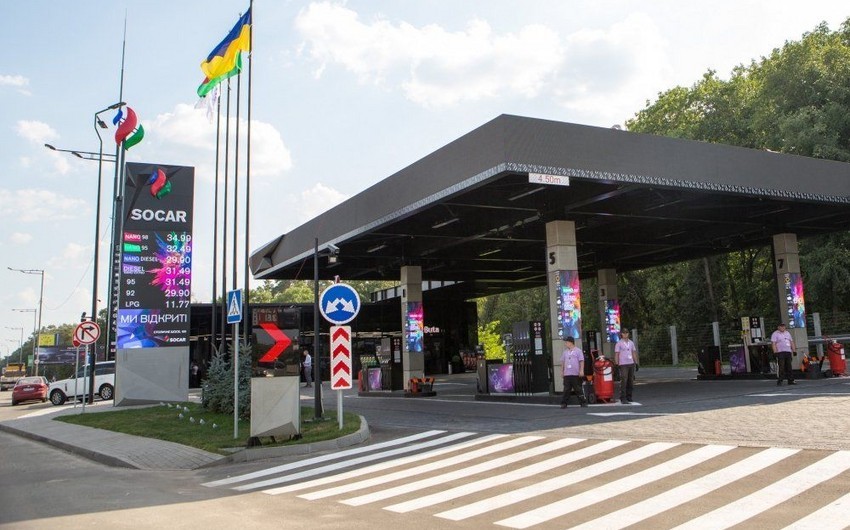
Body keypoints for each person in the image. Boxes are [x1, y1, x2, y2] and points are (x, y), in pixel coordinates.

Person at [559, 336, 587, 408]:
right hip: (567, 374)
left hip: (575, 374)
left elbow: (581, 361)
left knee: (578, 389)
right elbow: (562, 362)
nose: (566, 344)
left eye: (566, 342)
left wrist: (581, 370)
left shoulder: (578, 351)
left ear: (570, 342)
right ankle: (564, 403)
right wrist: (562, 371)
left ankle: (583, 402)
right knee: (566, 389)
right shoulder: (565, 352)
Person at [614, 329, 639, 404]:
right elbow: (617, 354)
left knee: (630, 380)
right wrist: (616, 364)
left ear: (628, 334)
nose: (625, 334)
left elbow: (633, 352)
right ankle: (623, 397)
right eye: (623, 333)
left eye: (626, 333)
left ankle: (629, 396)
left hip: (630, 363)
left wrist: (636, 362)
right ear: (621, 334)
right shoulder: (619, 343)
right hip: (623, 364)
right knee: (624, 380)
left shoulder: (631, 343)